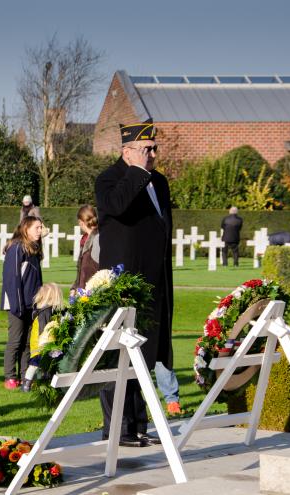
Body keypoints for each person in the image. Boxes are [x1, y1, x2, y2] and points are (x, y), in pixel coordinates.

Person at [95, 118, 172, 447]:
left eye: (155, 148)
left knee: (144, 353)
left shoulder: (161, 182)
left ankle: (139, 425)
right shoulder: (109, 179)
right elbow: (117, 207)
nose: (153, 154)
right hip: (123, 284)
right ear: (127, 151)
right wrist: (138, 173)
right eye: (146, 149)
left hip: (154, 283)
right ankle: (118, 428)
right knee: (120, 355)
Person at [1, 216, 44, 390]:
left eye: (41, 228)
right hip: (16, 304)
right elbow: (12, 279)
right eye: (37, 228)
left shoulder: (33, 249)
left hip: (30, 305)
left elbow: (36, 280)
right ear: (26, 229)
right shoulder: (17, 248)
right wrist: (17, 305)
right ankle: (10, 377)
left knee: (27, 342)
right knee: (15, 341)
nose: (40, 231)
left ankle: (25, 375)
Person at [22, 282, 64, 392]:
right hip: (41, 343)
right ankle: (27, 384)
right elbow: (43, 329)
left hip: (42, 343)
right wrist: (45, 344)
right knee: (35, 364)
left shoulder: (46, 310)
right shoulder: (46, 311)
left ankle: (42, 383)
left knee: (41, 364)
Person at [71, 204, 100, 293]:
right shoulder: (84, 239)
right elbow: (81, 269)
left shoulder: (98, 238)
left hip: (94, 294)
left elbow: (101, 270)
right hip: (83, 293)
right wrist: (74, 288)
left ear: (81, 222)